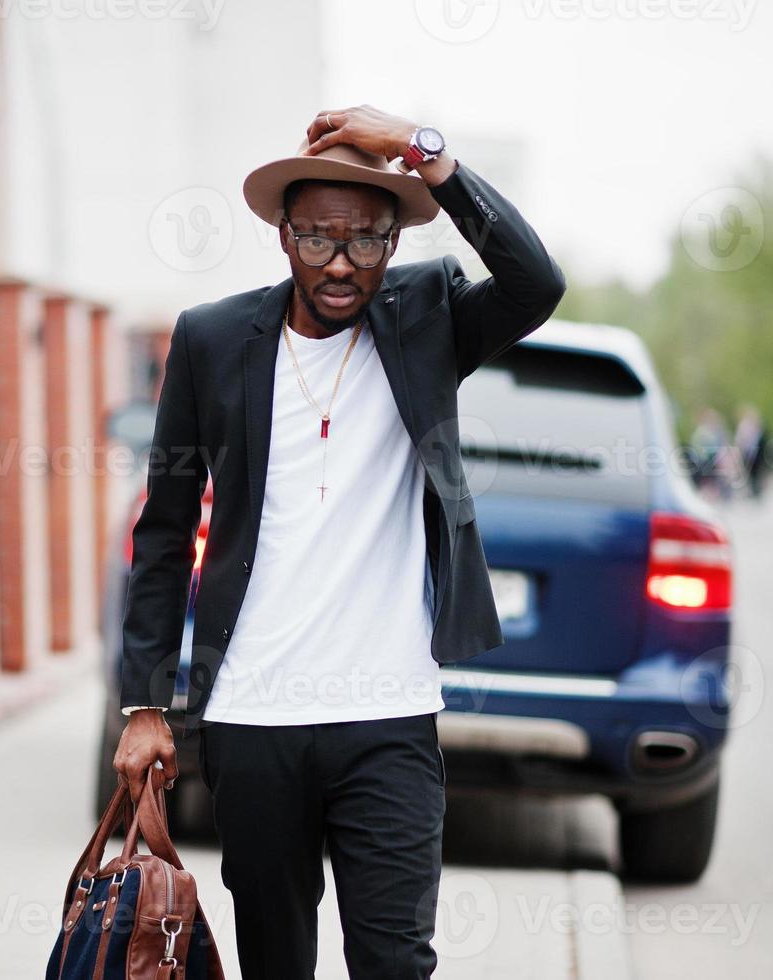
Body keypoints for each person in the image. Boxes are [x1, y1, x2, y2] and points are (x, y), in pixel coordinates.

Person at [111, 105, 566, 979]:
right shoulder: (212, 339)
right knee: (276, 962)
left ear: (393, 244)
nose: (340, 264)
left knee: (395, 963)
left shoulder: (428, 318)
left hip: (387, 715)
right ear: (283, 235)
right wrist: (144, 704)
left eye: (365, 241)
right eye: (317, 237)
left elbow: (533, 283)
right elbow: (164, 528)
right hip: (252, 717)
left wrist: (423, 150)